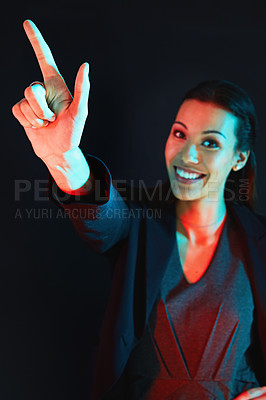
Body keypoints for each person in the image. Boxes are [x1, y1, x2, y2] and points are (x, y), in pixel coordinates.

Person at [12, 20, 266, 400]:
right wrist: (65, 159)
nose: (187, 155)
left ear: (239, 157)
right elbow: (100, 217)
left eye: (210, 142)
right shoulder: (138, 228)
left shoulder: (260, 243)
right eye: (179, 133)